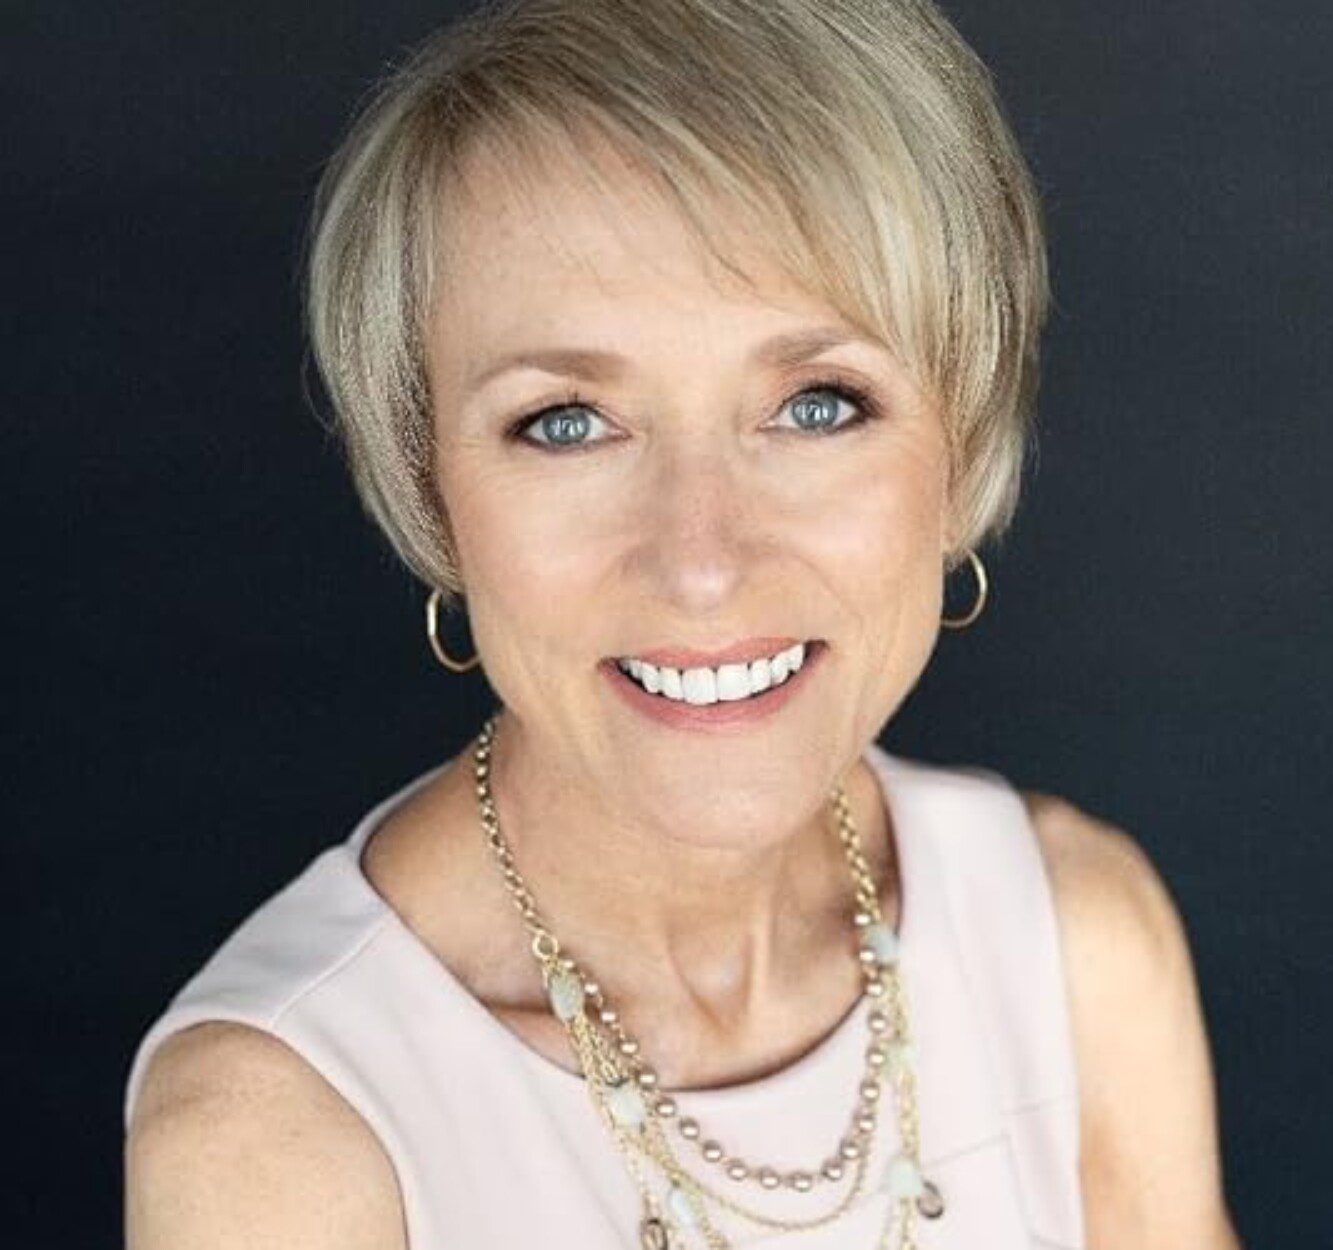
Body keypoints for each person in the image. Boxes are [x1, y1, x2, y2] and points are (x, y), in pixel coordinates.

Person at [122, 1, 1241, 1246]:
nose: (701, 563)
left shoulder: (1075, 942)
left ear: (962, 442)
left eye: (818, 404)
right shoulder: (281, 1133)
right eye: (565, 421)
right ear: (432, 492)